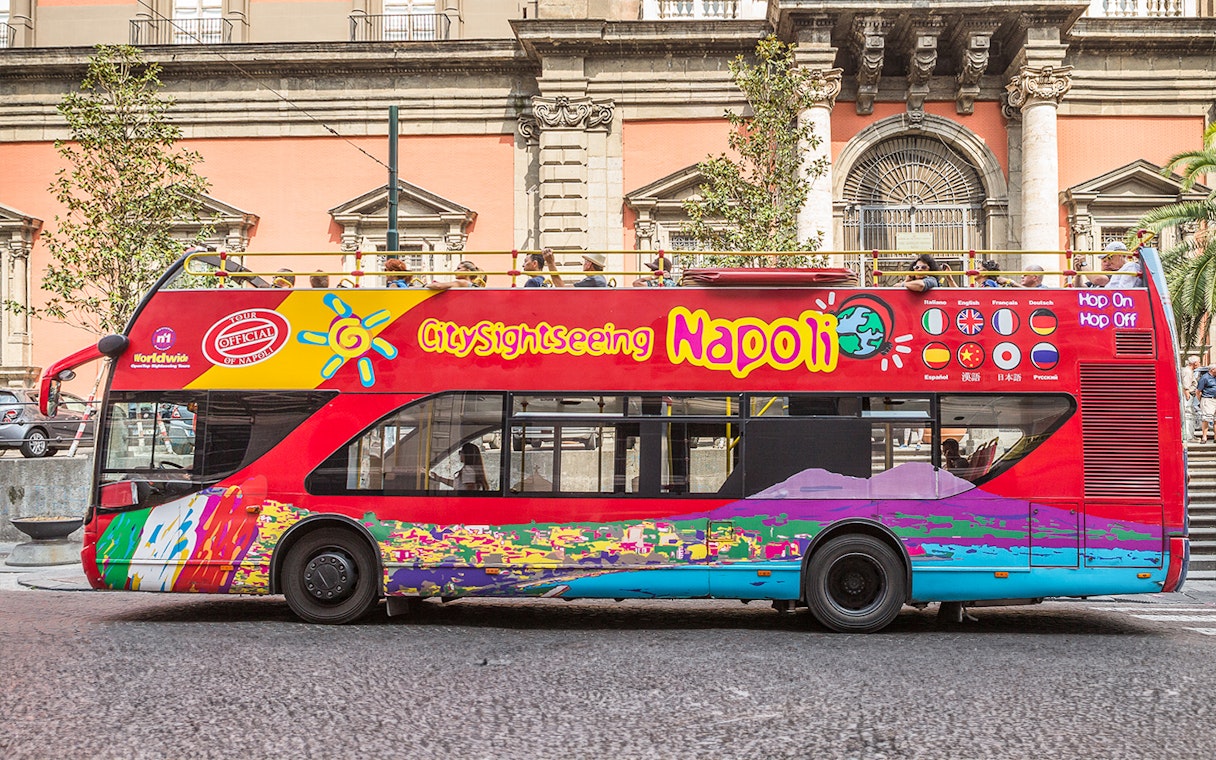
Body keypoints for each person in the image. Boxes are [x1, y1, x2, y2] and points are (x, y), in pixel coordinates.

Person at [1075, 241, 1143, 288]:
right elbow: (1080, 288)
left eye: (1110, 257)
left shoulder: (1130, 267)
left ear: (1120, 254)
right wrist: (1078, 271)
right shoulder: (1120, 272)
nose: (1108, 262)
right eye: (1104, 260)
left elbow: (1097, 279)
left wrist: (1083, 264)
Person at [1184, 355, 1201, 440]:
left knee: (1191, 415)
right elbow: (1186, 386)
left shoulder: (1189, 371)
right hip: (1188, 395)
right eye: (1199, 362)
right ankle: (1189, 437)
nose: (1199, 363)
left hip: (1190, 395)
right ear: (1194, 363)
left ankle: (1191, 435)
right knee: (1188, 415)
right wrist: (1187, 395)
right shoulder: (1188, 371)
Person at [1199, 364, 1216, 443]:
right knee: (1206, 419)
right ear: (1212, 369)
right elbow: (1198, 391)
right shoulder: (1205, 377)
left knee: (1215, 419)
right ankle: (1204, 437)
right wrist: (1201, 400)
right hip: (1208, 399)